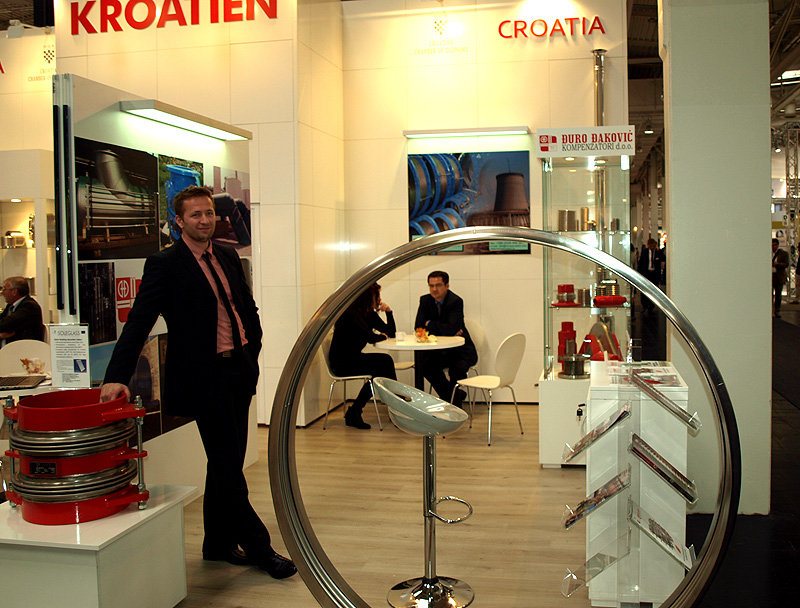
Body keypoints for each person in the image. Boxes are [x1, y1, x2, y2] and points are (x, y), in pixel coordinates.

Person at [99, 186, 296, 579]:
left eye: (208, 213)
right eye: (195, 215)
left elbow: (245, 307)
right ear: (179, 221)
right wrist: (116, 376)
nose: (205, 220)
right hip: (205, 378)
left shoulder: (227, 255)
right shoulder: (165, 264)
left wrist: (253, 349)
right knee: (227, 466)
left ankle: (216, 544)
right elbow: (139, 321)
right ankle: (260, 548)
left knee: (226, 461)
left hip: (239, 369)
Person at [329, 283, 398, 430]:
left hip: (354, 358)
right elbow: (371, 337)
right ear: (367, 297)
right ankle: (395, 405)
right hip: (341, 363)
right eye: (377, 295)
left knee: (383, 365)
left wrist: (389, 312)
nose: (379, 299)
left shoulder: (368, 313)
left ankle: (359, 410)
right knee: (384, 363)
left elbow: (390, 332)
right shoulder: (352, 314)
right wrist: (382, 336)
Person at [414, 270, 477, 408]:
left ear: (447, 286)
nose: (434, 289)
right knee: (425, 366)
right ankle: (454, 398)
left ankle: (453, 400)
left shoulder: (456, 301)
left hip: (460, 351)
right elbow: (418, 327)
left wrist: (430, 324)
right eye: (431, 286)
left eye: (438, 285)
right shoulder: (425, 300)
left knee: (456, 369)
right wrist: (445, 328)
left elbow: (452, 328)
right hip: (439, 351)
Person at [0, 276, 46, 347]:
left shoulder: (29, 307)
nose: (2, 292)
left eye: (5, 289)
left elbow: (6, 324)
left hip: (24, 349)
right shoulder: (11, 306)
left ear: (14, 292)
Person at [636, 238, 666, 314]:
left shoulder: (658, 252)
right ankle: (644, 305)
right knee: (644, 290)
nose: (652, 247)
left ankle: (651, 306)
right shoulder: (644, 252)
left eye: (653, 245)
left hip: (654, 274)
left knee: (654, 290)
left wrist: (659, 251)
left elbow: (663, 258)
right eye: (651, 245)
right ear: (648, 245)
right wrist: (639, 273)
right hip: (646, 273)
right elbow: (641, 262)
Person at [772, 237, 790, 318]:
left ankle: (777, 310)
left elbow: (786, 264)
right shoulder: (768, 253)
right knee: (770, 295)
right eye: (772, 245)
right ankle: (770, 310)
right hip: (771, 276)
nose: (774, 246)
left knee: (778, 295)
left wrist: (777, 264)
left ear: (778, 245)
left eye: (775, 245)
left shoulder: (783, 254)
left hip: (779, 276)